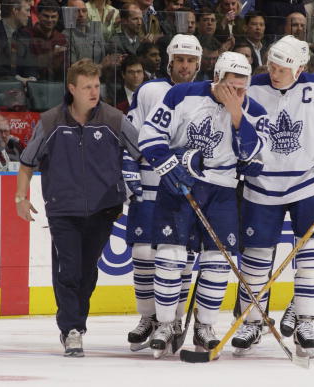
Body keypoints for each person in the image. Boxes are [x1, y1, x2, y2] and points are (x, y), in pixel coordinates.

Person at [231, 36, 314, 359]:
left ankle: (305, 322)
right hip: (262, 184)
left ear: (300, 68)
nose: (274, 73)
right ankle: (252, 321)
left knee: (312, 256)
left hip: (310, 183)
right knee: (256, 260)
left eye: (282, 68)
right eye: (272, 66)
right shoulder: (254, 87)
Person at [137, 51, 268, 358]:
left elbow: (254, 156)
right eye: (231, 87)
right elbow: (149, 134)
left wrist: (237, 114)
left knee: (218, 261)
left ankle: (205, 326)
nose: (237, 93)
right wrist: (170, 164)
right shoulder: (181, 94)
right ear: (217, 79)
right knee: (170, 256)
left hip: (222, 192)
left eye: (242, 87)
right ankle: (166, 324)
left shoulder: (254, 110)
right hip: (179, 186)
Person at [15, 59, 140, 357]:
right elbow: (26, 162)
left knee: (87, 271)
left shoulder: (114, 119)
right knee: (68, 270)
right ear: (72, 89)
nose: (94, 92)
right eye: (87, 87)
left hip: (104, 208)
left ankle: (75, 324)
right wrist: (21, 197)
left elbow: (145, 152)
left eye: (97, 86)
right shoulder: (50, 122)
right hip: (63, 209)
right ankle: (71, 329)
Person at [124, 34, 202, 352]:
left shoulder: (205, 94)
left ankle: (175, 319)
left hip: (186, 185)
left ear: (198, 64)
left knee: (179, 259)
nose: (184, 66)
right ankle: (149, 318)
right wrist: (128, 167)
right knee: (143, 255)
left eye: (190, 60)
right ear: (169, 61)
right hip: (150, 182)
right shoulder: (149, 90)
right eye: (179, 60)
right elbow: (131, 132)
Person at [13, 0, 67, 82]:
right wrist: (52, 54)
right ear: (38, 15)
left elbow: (64, 68)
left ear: (58, 17)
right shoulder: (25, 35)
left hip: (56, 84)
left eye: (53, 16)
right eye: (46, 16)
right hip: (31, 84)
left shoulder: (61, 38)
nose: (50, 20)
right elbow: (27, 64)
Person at [0, 0, 31, 79]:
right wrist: (17, 79)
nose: (29, 15)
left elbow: (31, 64)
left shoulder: (25, 35)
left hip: (22, 87)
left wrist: (31, 78)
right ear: (15, 10)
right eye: (27, 10)